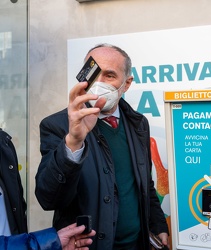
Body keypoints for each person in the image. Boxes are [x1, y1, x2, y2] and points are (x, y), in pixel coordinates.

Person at [35, 43, 169, 249]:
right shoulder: (58, 125)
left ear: (126, 84)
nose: (99, 83)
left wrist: (158, 224)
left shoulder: (138, 124)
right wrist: (73, 141)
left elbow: (144, 185)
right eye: (93, 74)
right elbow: (48, 198)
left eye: (109, 75)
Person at [0, 128, 95, 249]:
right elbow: (48, 197)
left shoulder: (3, 143)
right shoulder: (52, 126)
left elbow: (15, 218)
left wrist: (54, 242)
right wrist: (51, 242)